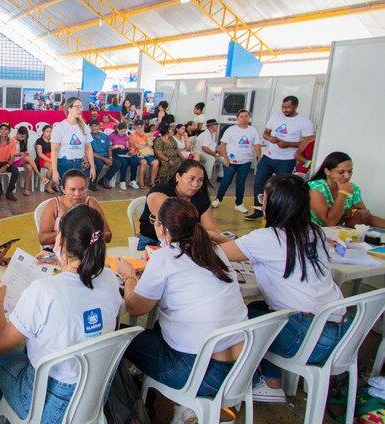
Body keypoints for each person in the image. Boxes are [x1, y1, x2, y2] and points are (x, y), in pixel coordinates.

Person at [116, 197, 247, 422]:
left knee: (118, 335)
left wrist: (128, 276)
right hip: (241, 369)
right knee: (163, 324)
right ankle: (186, 406)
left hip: (195, 372)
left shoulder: (165, 257)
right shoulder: (214, 249)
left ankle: (145, 402)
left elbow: (135, 308)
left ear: (162, 228)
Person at [0, 204, 122, 424]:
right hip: (95, 393)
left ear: (59, 240)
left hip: (49, 402)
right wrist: (62, 264)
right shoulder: (109, 279)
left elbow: (3, 343)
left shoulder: (44, 290)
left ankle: (3, 408)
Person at [221, 174, 349, 403]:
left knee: (239, 317)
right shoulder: (314, 232)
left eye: (264, 198)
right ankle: (273, 377)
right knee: (259, 307)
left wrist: (210, 238)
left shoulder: (267, 238)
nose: (262, 202)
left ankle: (269, 384)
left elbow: (216, 254)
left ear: (275, 203)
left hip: (308, 338)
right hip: (342, 334)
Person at [245, 96, 314, 221]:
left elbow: (307, 142)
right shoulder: (276, 116)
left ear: (295, 106)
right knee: (259, 182)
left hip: (286, 160)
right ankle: (258, 209)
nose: (284, 110)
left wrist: (287, 144)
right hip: (268, 156)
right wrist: (269, 138)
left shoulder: (304, 122)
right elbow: (265, 132)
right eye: (283, 107)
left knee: (283, 188)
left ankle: (280, 212)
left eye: (287, 107)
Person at [137, 160, 229, 250]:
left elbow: (211, 228)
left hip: (185, 242)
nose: (195, 185)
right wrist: (204, 235)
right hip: (151, 242)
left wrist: (224, 240)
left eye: (200, 180)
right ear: (177, 177)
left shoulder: (201, 198)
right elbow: (175, 229)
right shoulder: (159, 193)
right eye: (191, 179)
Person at [38, 169, 112, 251]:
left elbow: (107, 235)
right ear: (63, 189)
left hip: (85, 253)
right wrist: (75, 233)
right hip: (57, 253)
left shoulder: (91, 203)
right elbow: (43, 239)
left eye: (82, 189)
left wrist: (88, 237)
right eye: (72, 189)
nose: (77, 194)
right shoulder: (54, 205)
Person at [307, 152, 385, 227]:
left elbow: (365, 217)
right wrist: (343, 193)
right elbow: (329, 222)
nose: (347, 176)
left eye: (350, 171)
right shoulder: (315, 187)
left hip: (336, 234)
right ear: (327, 171)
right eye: (341, 172)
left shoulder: (353, 188)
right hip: (313, 234)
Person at [212, 110, 261, 214]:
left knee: (241, 182)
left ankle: (239, 204)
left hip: (245, 162)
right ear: (237, 118)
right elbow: (223, 145)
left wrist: (259, 156)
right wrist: (225, 158)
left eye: (246, 116)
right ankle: (218, 199)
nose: (243, 118)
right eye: (241, 116)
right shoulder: (231, 130)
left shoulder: (253, 131)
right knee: (226, 181)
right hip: (231, 161)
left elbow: (257, 145)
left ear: (249, 117)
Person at [50, 97, 96, 187]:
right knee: (65, 195)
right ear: (69, 108)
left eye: (81, 107)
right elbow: (54, 151)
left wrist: (92, 167)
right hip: (64, 164)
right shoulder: (59, 127)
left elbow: (88, 148)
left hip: (79, 164)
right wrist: (54, 171)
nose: (80, 109)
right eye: (77, 107)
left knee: (77, 194)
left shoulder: (84, 127)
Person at [13, 126, 49, 196]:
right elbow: (9, 154)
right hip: (13, 161)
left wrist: (23, 154)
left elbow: (23, 151)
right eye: (22, 136)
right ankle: (40, 176)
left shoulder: (23, 140)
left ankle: (26, 190)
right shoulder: (12, 140)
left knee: (29, 167)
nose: (23, 138)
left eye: (24, 137)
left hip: (21, 160)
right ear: (18, 133)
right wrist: (19, 154)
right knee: (29, 158)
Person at [102, 122, 138, 190]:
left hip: (123, 153)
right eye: (122, 131)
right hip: (114, 153)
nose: (123, 133)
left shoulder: (125, 136)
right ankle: (122, 181)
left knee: (134, 162)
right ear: (118, 129)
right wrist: (116, 146)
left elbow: (126, 146)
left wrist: (129, 149)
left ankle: (132, 180)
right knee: (124, 162)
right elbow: (108, 148)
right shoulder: (112, 136)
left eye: (125, 131)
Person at [88, 119, 112, 191]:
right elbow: (90, 152)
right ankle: (92, 184)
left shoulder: (105, 136)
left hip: (105, 155)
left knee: (117, 163)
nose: (94, 128)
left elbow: (109, 149)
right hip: (95, 156)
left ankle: (104, 179)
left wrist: (110, 158)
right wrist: (104, 159)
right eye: (92, 126)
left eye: (96, 126)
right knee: (99, 164)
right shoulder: (88, 137)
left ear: (99, 127)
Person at [35, 125, 57, 194]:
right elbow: (40, 154)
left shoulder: (52, 140)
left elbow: (56, 151)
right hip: (43, 159)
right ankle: (47, 186)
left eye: (50, 131)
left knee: (62, 165)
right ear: (43, 132)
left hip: (52, 157)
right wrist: (51, 161)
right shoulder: (39, 141)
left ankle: (55, 184)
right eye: (47, 131)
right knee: (51, 168)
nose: (49, 133)